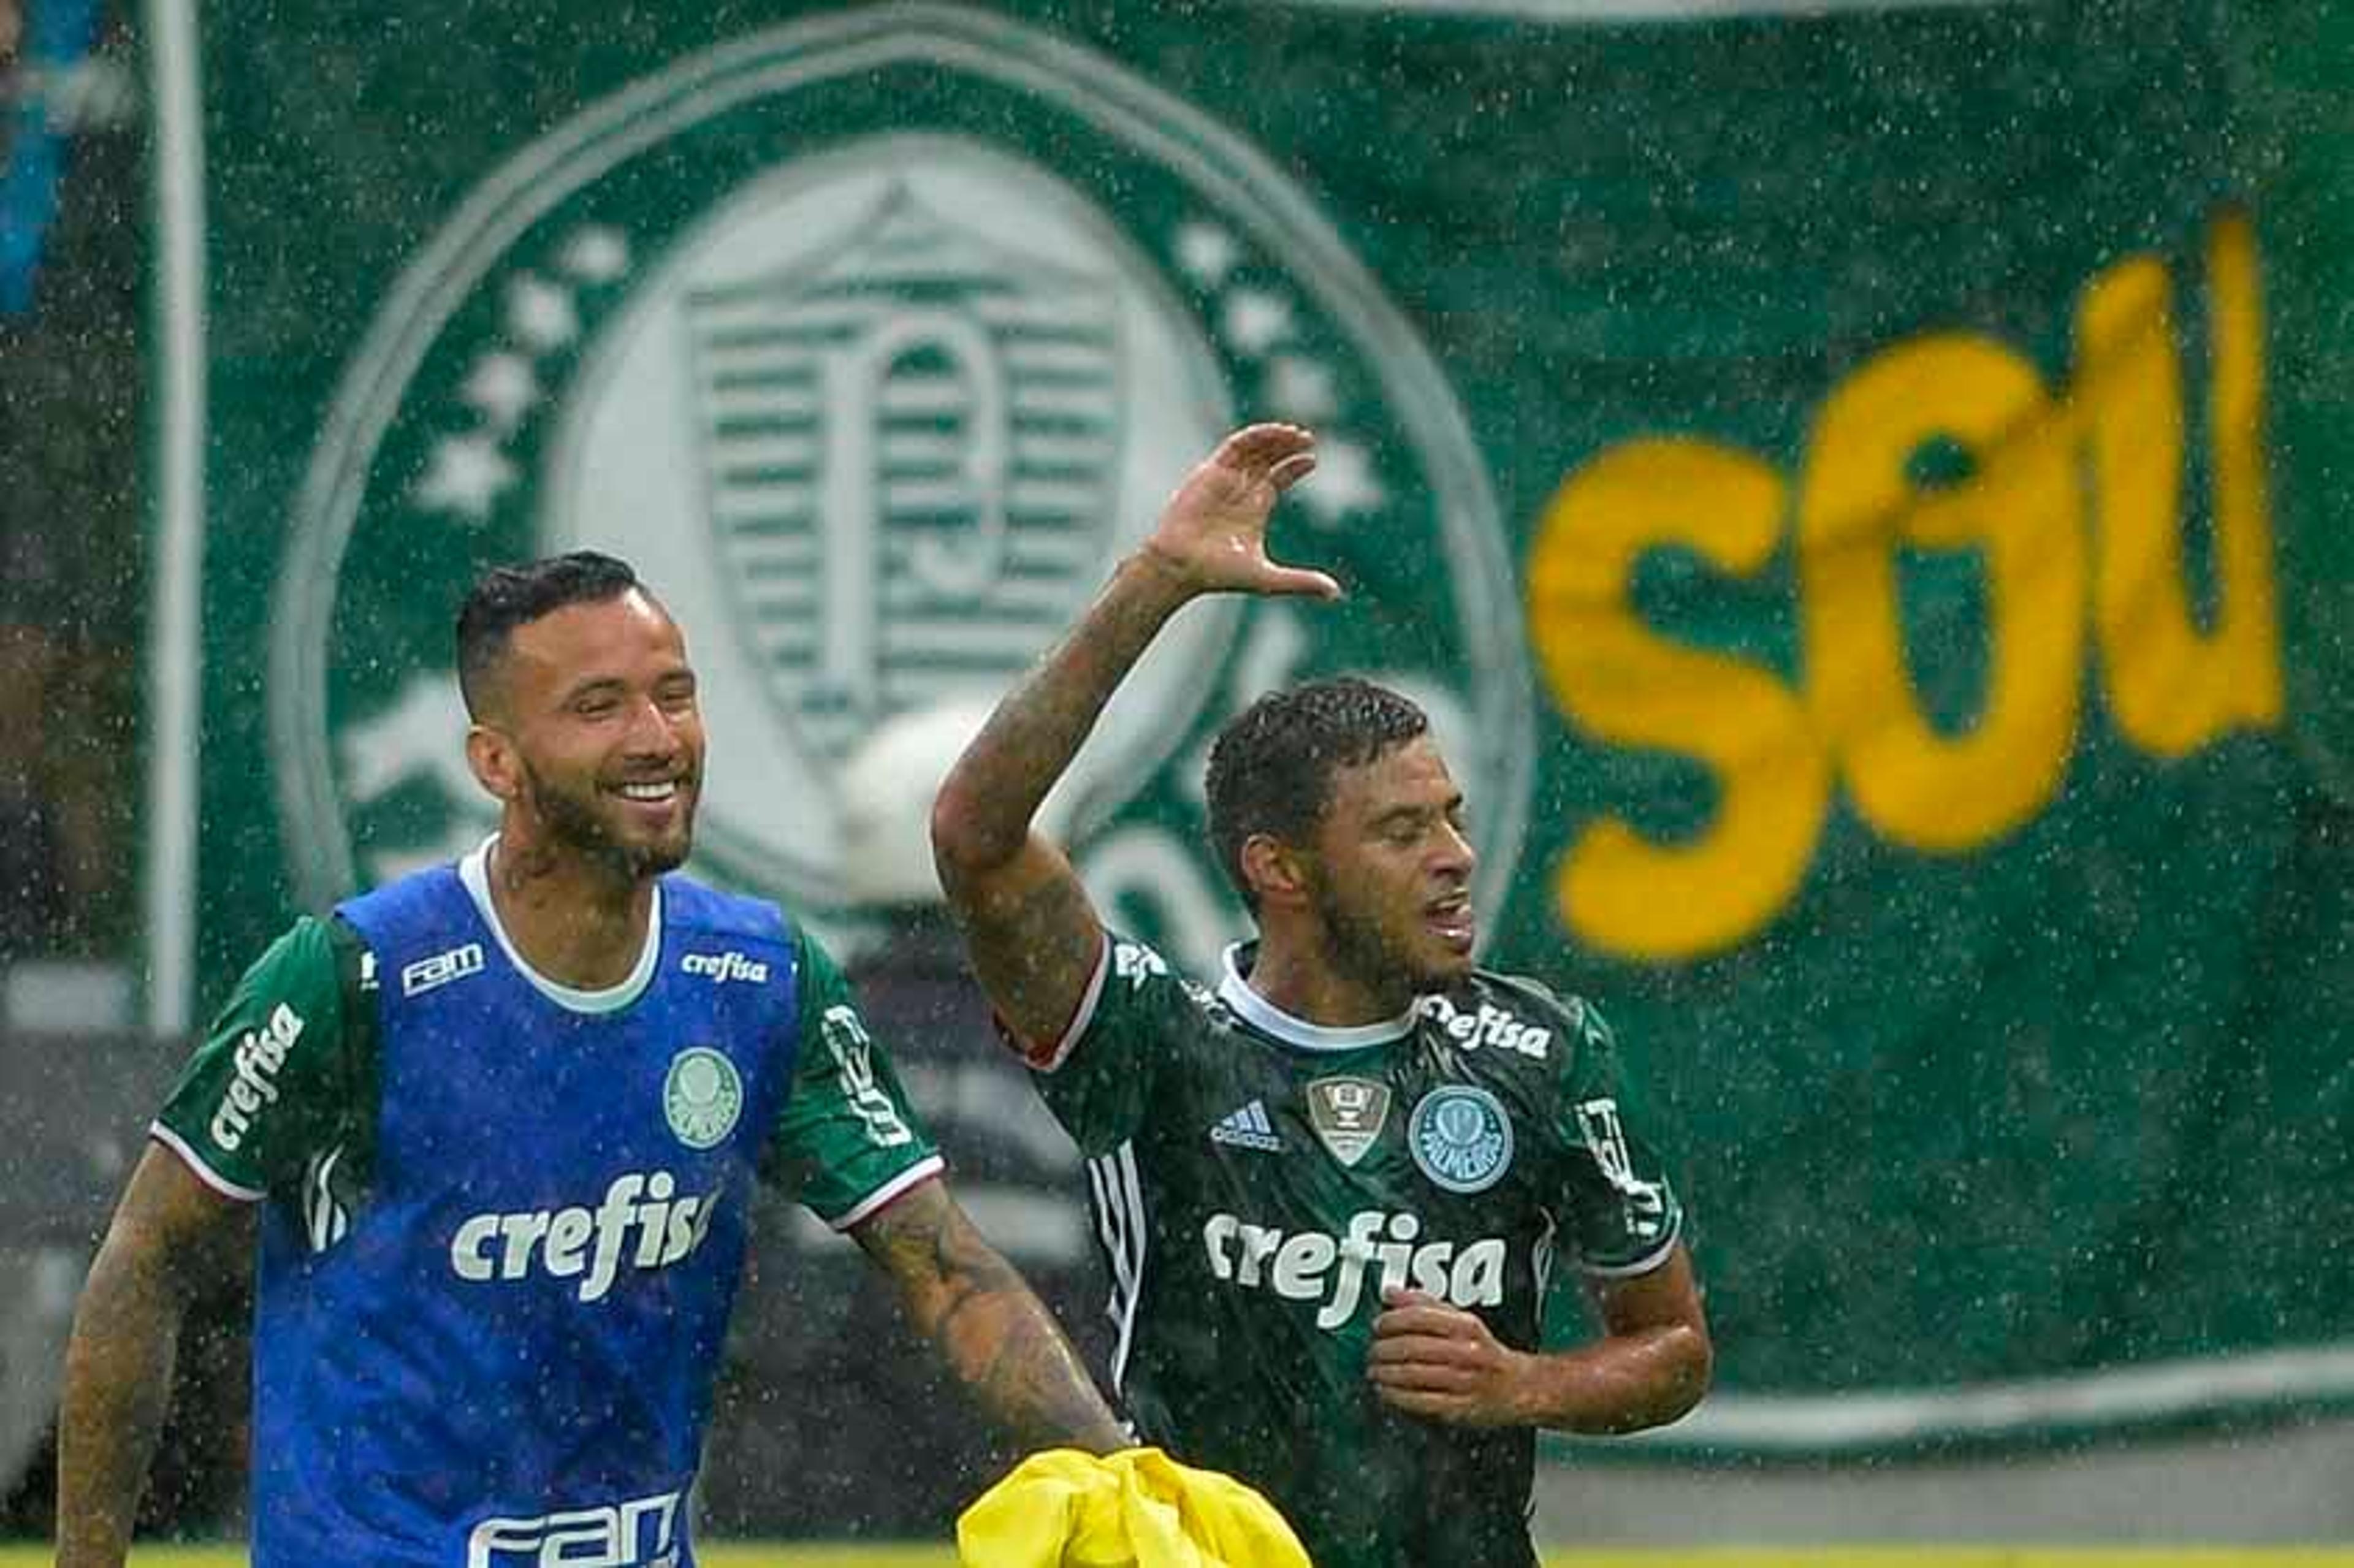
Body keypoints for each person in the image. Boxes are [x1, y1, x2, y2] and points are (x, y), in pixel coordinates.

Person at [54, 552, 1127, 1567]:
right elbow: (145, 1258)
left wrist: (1125, 1475)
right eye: (599, 707)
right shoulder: (355, 978)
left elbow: (944, 1269)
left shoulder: (758, 980)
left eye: (676, 693)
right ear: (495, 762)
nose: (658, 736)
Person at [929, 424, 1713, 1567]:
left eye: (1451, 814)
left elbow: (1676, 1349)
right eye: (1403, 831)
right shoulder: (1155, 1042)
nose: (1454, 854)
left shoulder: (1542, 1050)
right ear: (1279, 869)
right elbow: (976, 836)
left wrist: (1523, 1382)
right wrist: (1159, 583)